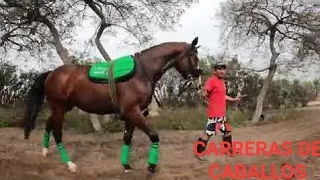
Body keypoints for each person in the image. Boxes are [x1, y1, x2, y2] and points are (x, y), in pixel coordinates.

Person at [195, 62, 241, 159]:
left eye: (223, 69)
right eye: (219, 69)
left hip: (222, 113)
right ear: (215, 71)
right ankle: (199, 152)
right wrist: (203, 93)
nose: (221, 71)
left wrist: (233, 99)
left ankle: (228, 151)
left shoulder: (222, 82)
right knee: (208, 133)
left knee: (226, 131)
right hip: (214, 113)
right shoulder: (211, 80)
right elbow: (205, 91)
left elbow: (222, 96)